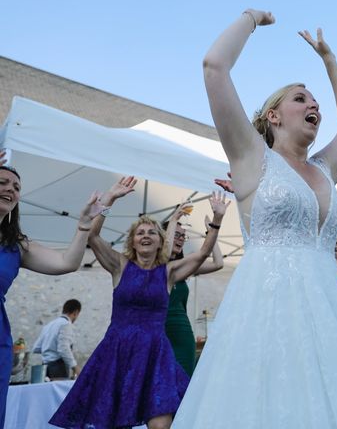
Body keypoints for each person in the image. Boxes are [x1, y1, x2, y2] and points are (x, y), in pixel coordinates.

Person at [172, 10, 337, 428]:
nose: (313, 105)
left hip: (330, 308)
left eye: (315, 102)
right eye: (300, 98)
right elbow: (214, 67)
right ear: (273, 116)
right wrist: (251, 19)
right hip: (266, 305)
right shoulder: (250, 156)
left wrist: (329, 61)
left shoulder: (327, 169)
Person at [50, 177, 229, 429]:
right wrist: (109, 200)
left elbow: (201, 254)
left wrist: (217, 219)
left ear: (160, 241)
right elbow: (93, 236)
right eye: (140, 233)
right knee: (114, 421)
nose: (145, 236)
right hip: (118, 351)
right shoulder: (119, 265)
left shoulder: (169, 272)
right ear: (132, 241)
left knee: (160, 424)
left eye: (151, 232)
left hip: (156, 354)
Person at [0, 152, 100, 428]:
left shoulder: (16, 245)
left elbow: (67, 262)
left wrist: (84, 224)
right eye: (3, 182)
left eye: (17, 187)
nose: (10, 189)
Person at [162, 209, 224, 376]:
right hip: (158, 332)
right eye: (176, 234)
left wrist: (210, 232)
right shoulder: (150, 267)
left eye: (183, 236)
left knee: (183, 381)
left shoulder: (184, 265)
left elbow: (218, 263)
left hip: (182, 335)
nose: (181, 239)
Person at [32, 299, 82, 380]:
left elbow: (36, 348)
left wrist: (49, 350)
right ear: (75, 312)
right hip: (58, 368)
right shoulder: (66, 325)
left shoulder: (49, 325)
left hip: (44, 368)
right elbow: (63, 349)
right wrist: (75, 367)